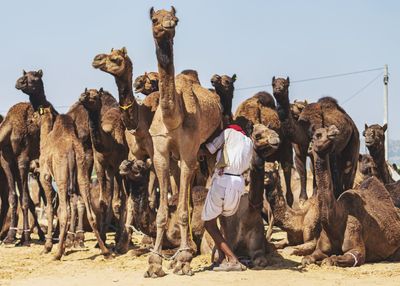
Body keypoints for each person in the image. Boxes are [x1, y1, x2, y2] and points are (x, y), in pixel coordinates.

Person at [201, 121, 253, 271]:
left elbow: (209, 149)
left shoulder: (228, 132)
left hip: (223, 180)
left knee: (209, 224)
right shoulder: (249, 141)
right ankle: (222, 259)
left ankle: (232, 260)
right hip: (238, 184)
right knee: (222, 219)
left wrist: (192, 150)